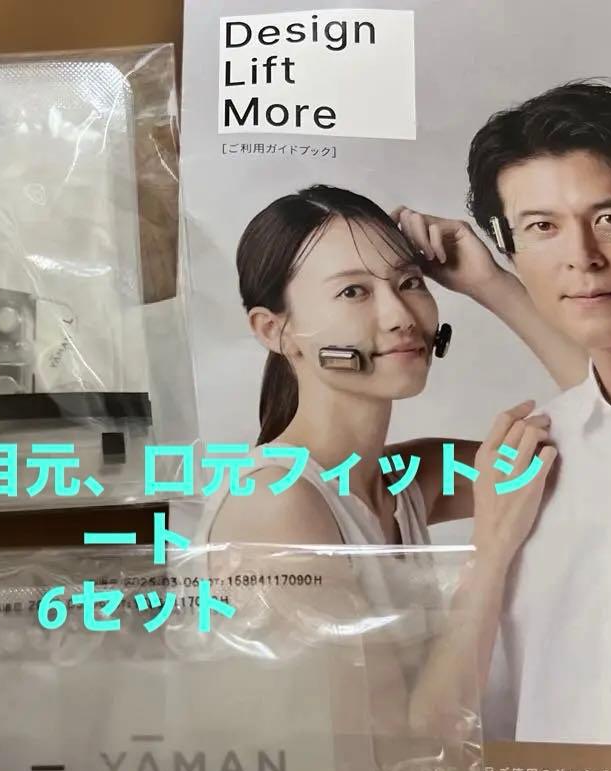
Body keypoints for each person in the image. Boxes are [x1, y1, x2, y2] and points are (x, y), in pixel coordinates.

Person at [195, 184, 559, 737]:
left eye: (408, 283)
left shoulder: (409, 478)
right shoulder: (276, 503)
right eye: (353, 292)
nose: (399, 315)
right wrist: (490, 552)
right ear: (276, 331)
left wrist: (493, 285)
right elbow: (401, 754)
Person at [401, 81, 611, 745]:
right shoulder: (542, 454)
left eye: (610, 219)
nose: (582, 258)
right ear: (511, 247)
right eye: (541, 228)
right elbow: (447, 728)